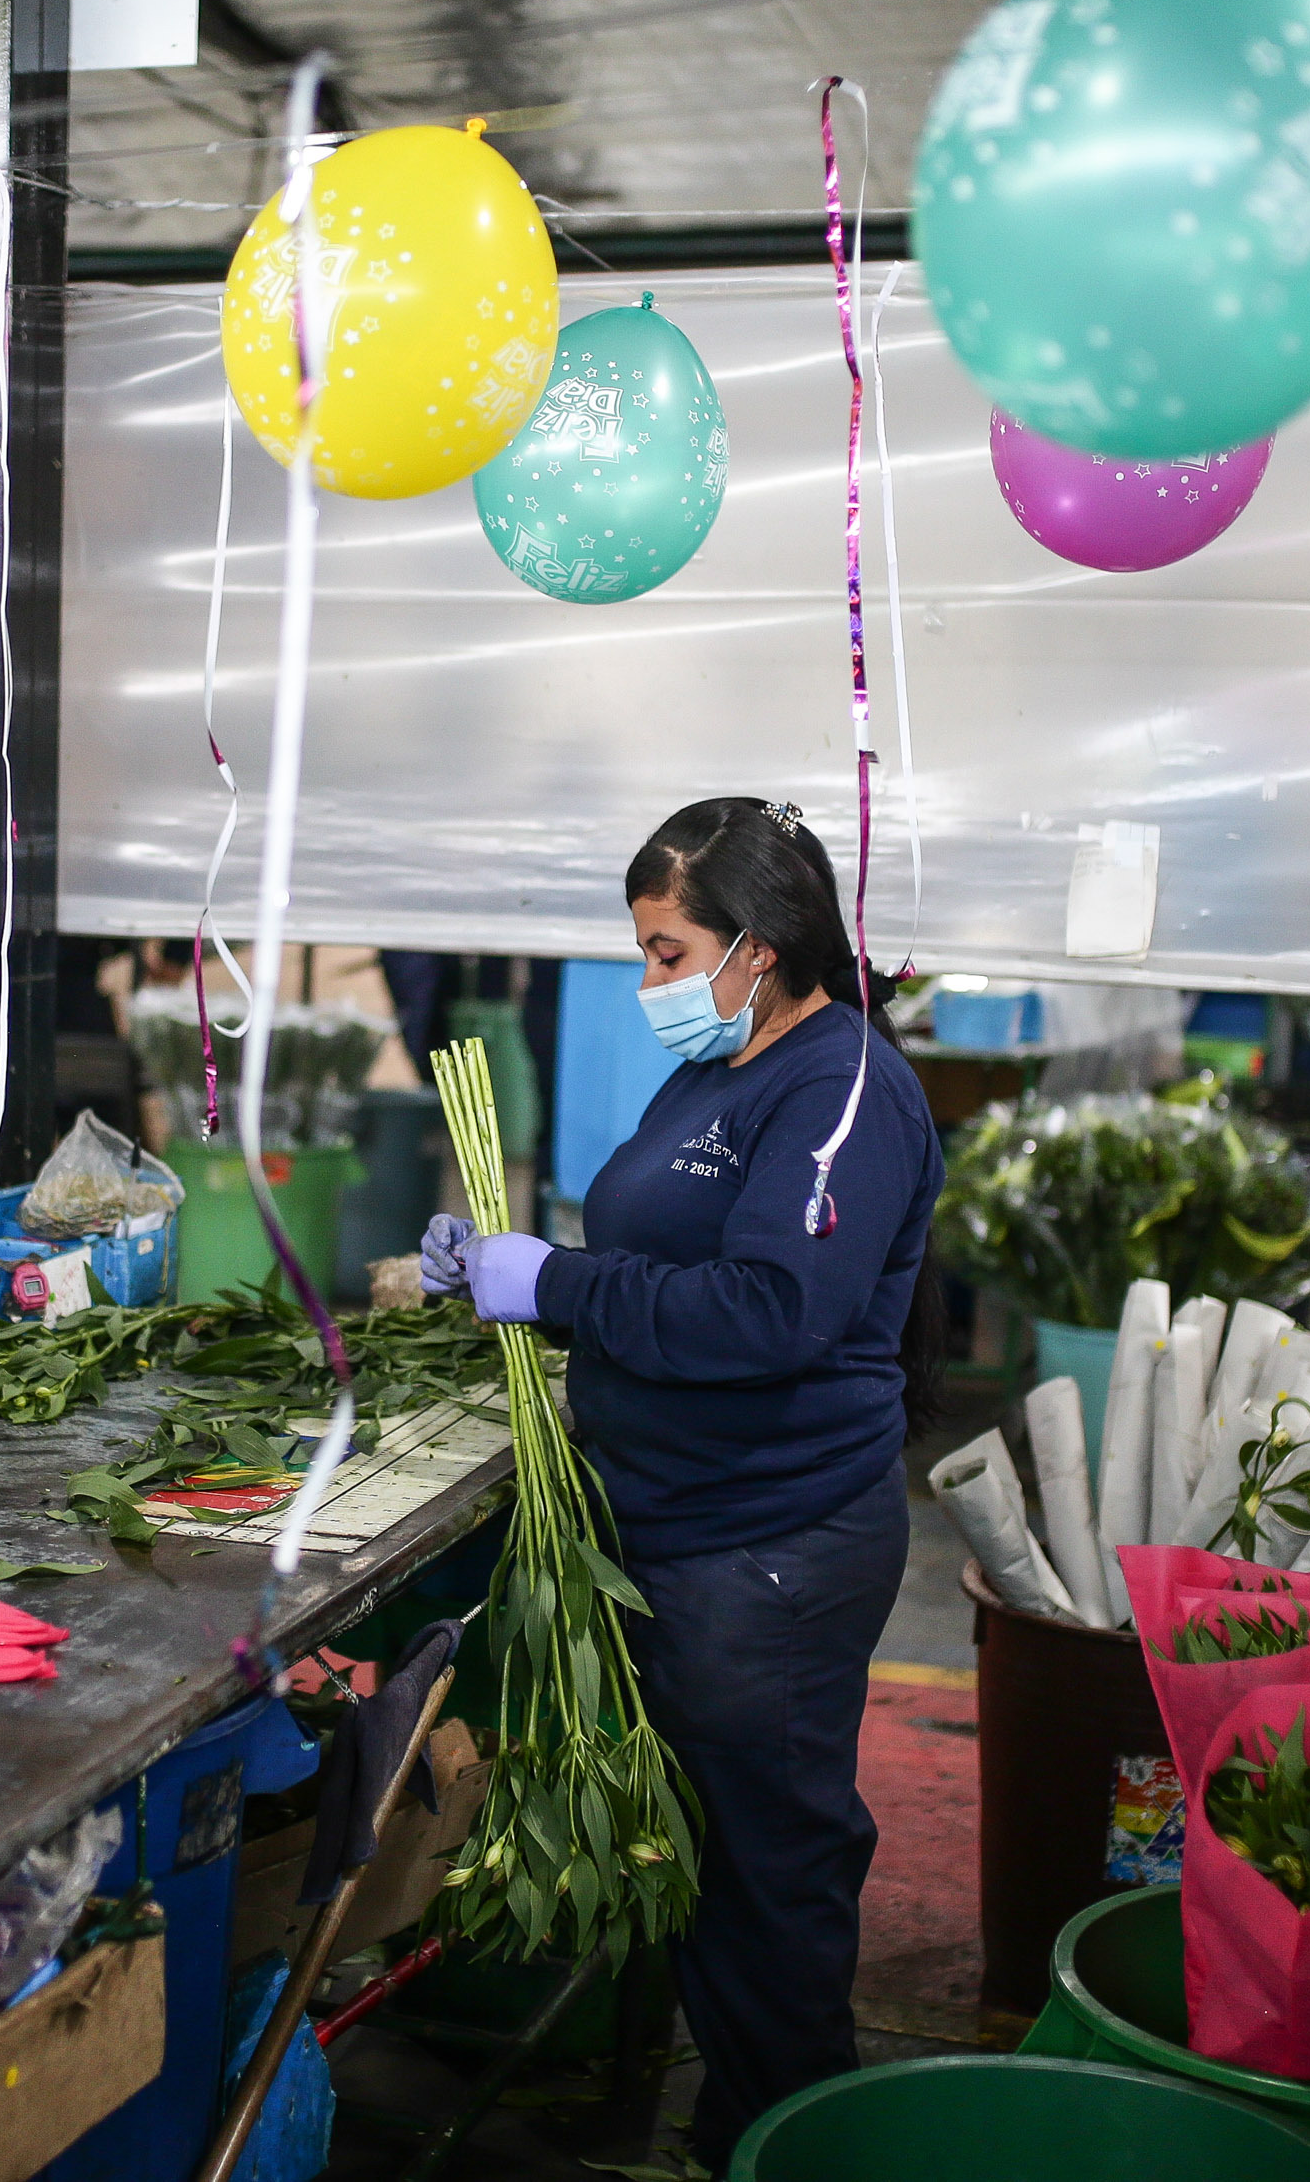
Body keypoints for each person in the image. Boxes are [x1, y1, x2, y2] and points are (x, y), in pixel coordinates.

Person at [419, 795, 943, 2167]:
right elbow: (667, 1238)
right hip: (675, 1524)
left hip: (769, 1545)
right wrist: (503, 1270)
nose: (649, 980)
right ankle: (716, 2119)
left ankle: (787, 2143)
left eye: (665, 950)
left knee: (771, 1880)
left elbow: (775, 1307)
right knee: (711, 1864)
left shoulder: (844, 1090)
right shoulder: (721, 1068)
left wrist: (563, 1284)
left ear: (758, 946)